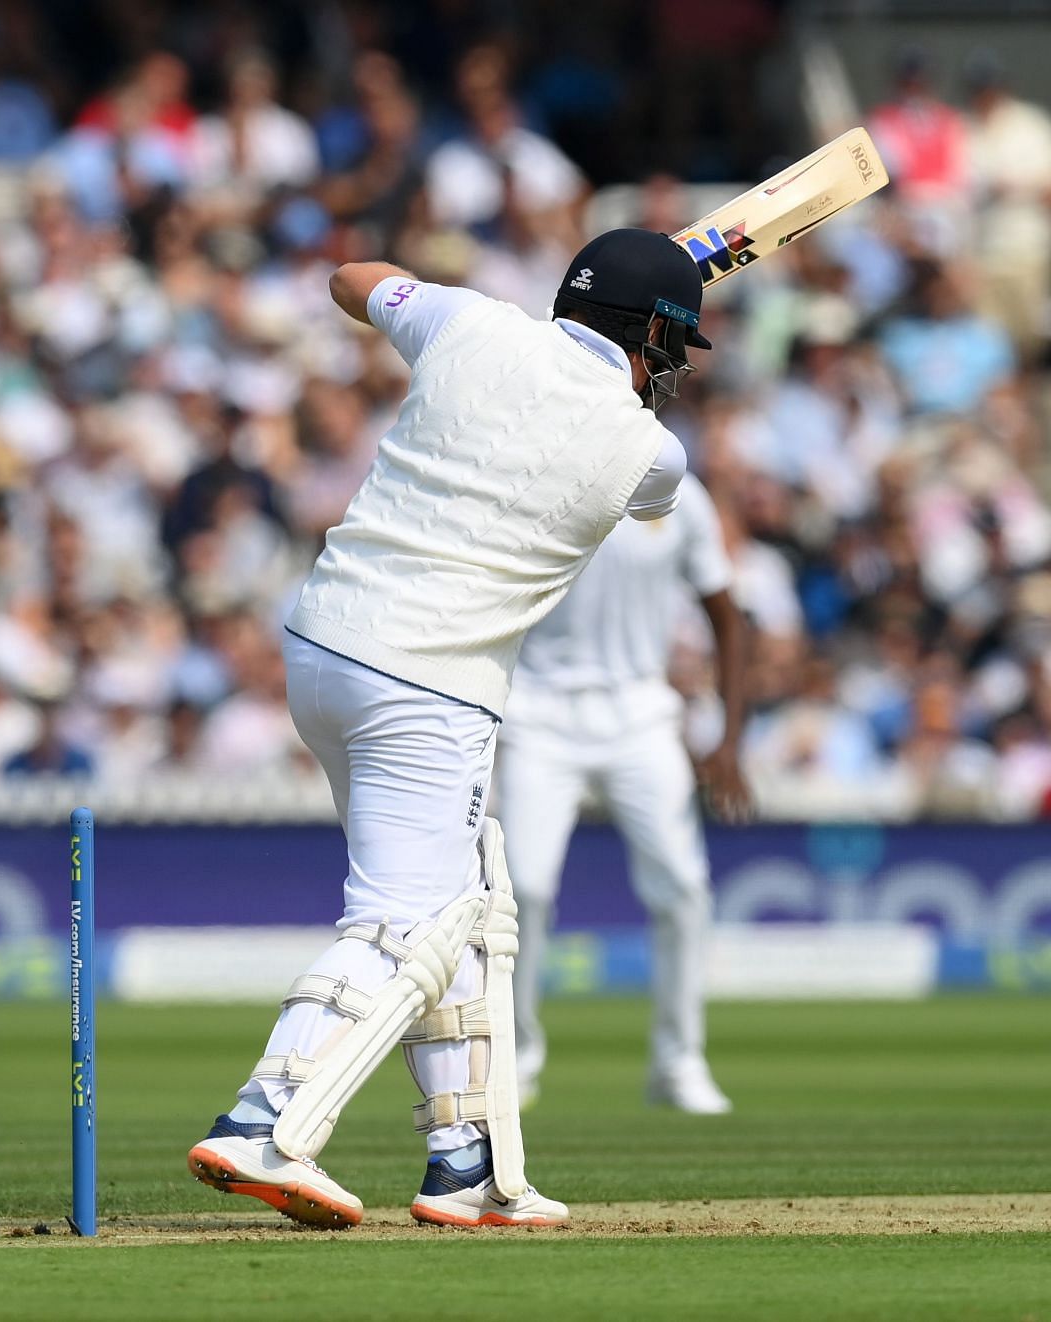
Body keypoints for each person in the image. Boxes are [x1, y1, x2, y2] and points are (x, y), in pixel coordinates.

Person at [186, 228, 710, 1230]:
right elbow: (635, 469)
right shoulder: (653, 453)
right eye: (671, 346)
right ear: (651, 329)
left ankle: (466, 1159)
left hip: (323, 642)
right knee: (408, 918)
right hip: (429, 683)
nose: (673, 368)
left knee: (469, 906)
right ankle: (265, 1118)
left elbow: (348, 276)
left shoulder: (466, 321)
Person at [497, 472, 748, 1115]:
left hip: (641, 714)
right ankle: (515, 1062)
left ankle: (679, 1061)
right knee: (524, 887)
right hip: (538, 713)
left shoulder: (683, 494)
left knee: (684, 886)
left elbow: (725, 611)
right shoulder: (535, 478)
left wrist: (731, 739)